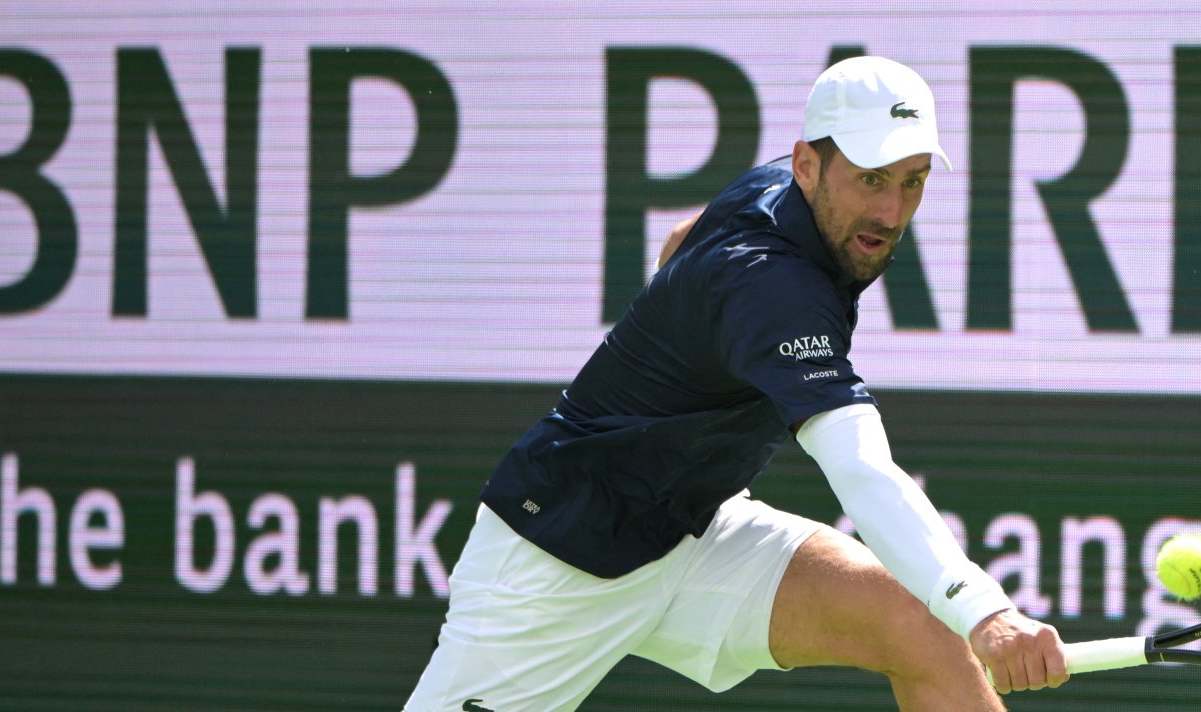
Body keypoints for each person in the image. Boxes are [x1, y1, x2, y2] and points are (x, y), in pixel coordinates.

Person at [405, 56, 1068, 712]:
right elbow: (860, 469)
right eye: (871, 179)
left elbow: (681, 238)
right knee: (955, 611)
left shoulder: (782, 195)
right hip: (562, 553)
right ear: (807, 164)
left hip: (694, 527)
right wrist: (986, 611)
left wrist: (678, 345)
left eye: (912, 181)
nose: (891, 211)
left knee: (922, 623)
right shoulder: (772, 286)